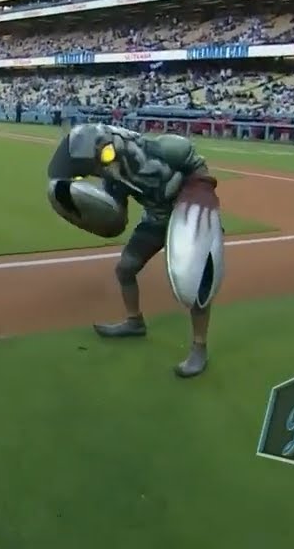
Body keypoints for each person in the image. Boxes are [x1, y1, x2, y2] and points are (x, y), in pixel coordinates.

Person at [46, 124, 224, 378]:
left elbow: (197, 167)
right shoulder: (113, 174)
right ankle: (134, 321)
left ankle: (199, 347)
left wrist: (200, 195)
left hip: (187, 217)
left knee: (197, 283)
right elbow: (116, 215)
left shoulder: (162, 148)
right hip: (156, 221)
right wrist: (88, 210)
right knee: (126, 268)